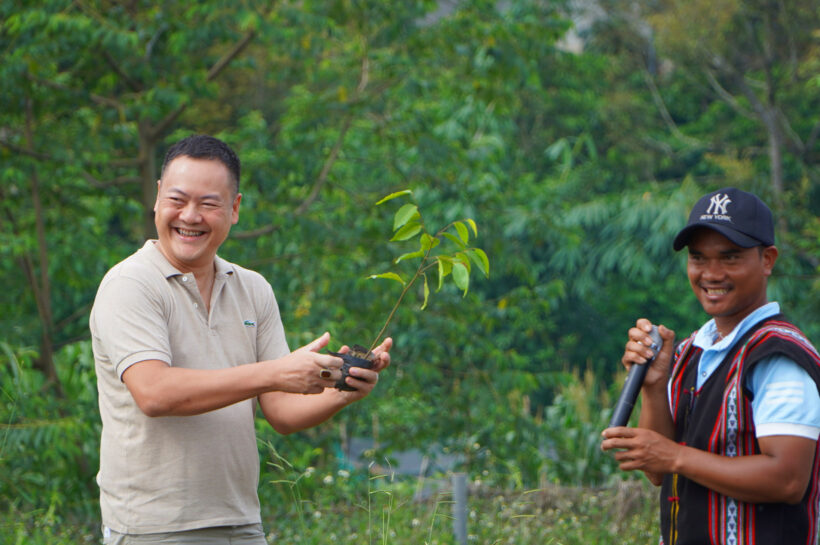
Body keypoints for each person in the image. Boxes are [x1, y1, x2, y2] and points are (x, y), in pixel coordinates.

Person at [89, 134, 392, 545]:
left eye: (208, 204)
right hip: (154, 528)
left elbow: (282, 412)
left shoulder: (253, 289)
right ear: (158, 198)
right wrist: (274, 372)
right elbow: (154, 393)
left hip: (242, 525)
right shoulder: (131, 284)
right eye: (178, 200)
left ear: (234, 209)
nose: (190, 216)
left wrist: (342, 389)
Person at [601, 187, 820, 544]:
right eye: (698, 258)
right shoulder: (690, 350)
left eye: (730, 258)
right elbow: (659, 472)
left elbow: (788, 480)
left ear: (768, 260)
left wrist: (676, 456)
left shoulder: (778, 355)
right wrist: (655, 387)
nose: (711, 274)